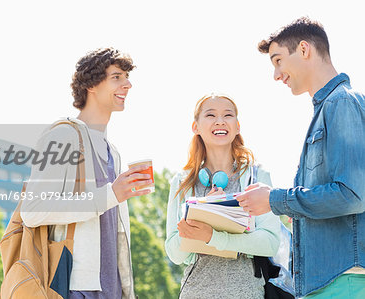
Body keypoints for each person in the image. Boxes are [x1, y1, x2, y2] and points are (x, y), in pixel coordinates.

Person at [237, 17, 365, 298]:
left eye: (278, 60)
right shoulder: (327, 108)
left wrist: (274, 200)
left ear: (304, 50)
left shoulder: (341, 102)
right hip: (326, 282)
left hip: (342, 280)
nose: (276, 74)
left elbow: (353, 195)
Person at [20, 48, 152, 299]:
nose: (128, 84)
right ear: (91, 85)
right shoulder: (63, 137)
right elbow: (33, 210)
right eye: (117, 77)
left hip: (112, 289)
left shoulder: (113, 150)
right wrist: (110, 195)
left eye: (126, 77)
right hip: (76, 288)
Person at [165, 94, 281, 299]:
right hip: (195, 292)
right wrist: (198, 216)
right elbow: (175, 254)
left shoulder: (257, 176)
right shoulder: (182, 181)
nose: (220, 121)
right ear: (196, 127)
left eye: (228, 115)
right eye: (210, 115)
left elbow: (270, 243)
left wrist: (213, 237)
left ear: (237, 127)